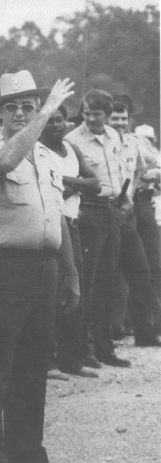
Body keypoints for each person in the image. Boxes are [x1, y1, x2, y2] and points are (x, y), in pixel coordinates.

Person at [0, 70, 78, 463]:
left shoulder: (45, 156)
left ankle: (27, 454)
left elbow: (56, 215)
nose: (20, 113)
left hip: (42, 270)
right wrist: (46, 111)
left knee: (32, 373)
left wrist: (71, 274)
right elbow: (6, 160)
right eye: (10, 106)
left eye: (27, 106)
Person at [65, 90, 158, 369]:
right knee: (87, 281)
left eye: (97, 114)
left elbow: (119, 172)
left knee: (108, 282)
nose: (91, 119)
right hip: (88, 211)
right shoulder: (73, 140)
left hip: (113, 213)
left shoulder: (115, 137)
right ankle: (82, 349)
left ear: (107, 115)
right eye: (87, 113)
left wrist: (124, 199)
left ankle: (105, 349)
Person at [39, 105, 101, 380]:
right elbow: (50, 193)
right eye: (50, 121)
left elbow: (95, 183)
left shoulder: (71, 149)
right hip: (52, 227)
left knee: (75, 291)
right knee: (52, 293)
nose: (55, 125)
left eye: (60, 120)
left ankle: (71, 358)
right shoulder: (39, 151)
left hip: (73, 226)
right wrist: (77, 185)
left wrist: (67, 181)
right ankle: (47, 361)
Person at [107, 98, 161, 336]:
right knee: (118, 267)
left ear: (130, 119)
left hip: (137, 200)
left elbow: (153, 166)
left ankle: (147, 325)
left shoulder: (137, 141)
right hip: (114, 204)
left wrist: (140, 181)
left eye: (123, 118)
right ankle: (117, 324)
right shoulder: (105, 140)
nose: (120, 122)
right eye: (115, 118)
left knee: (147, 263)